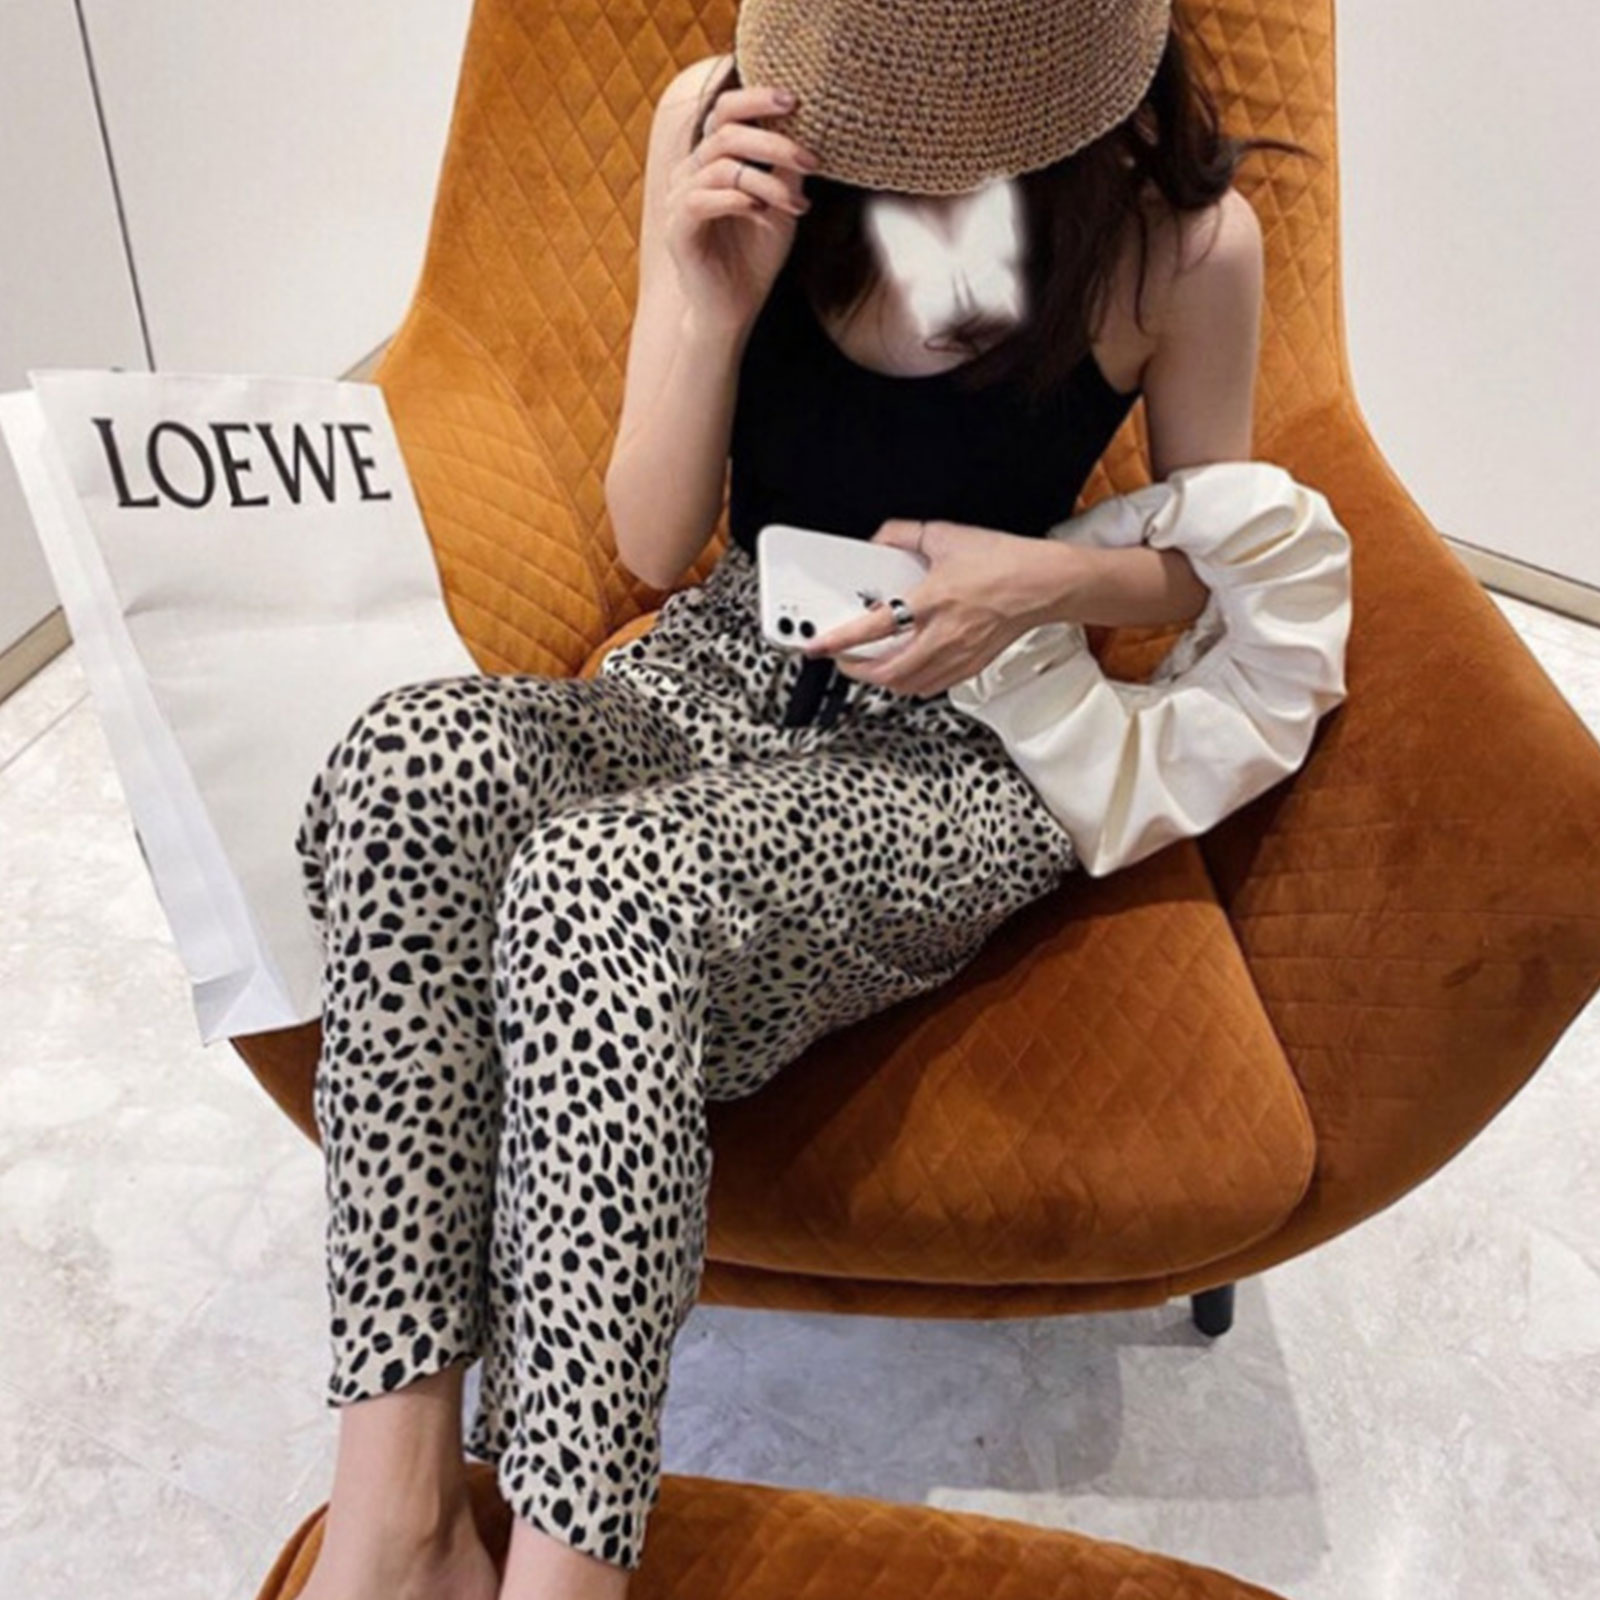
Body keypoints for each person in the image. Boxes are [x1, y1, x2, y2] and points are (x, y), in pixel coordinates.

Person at [288, 4, 1312, 1598]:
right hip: (724, 657)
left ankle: (564, 1573)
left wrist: (1036, 581)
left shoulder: (1177, 240)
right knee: (407, 773)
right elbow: (652, 543)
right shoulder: (727, 124)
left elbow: (1202, 563)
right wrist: (709, 305)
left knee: (598, 893)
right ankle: (396, 1520)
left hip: (967, 743)